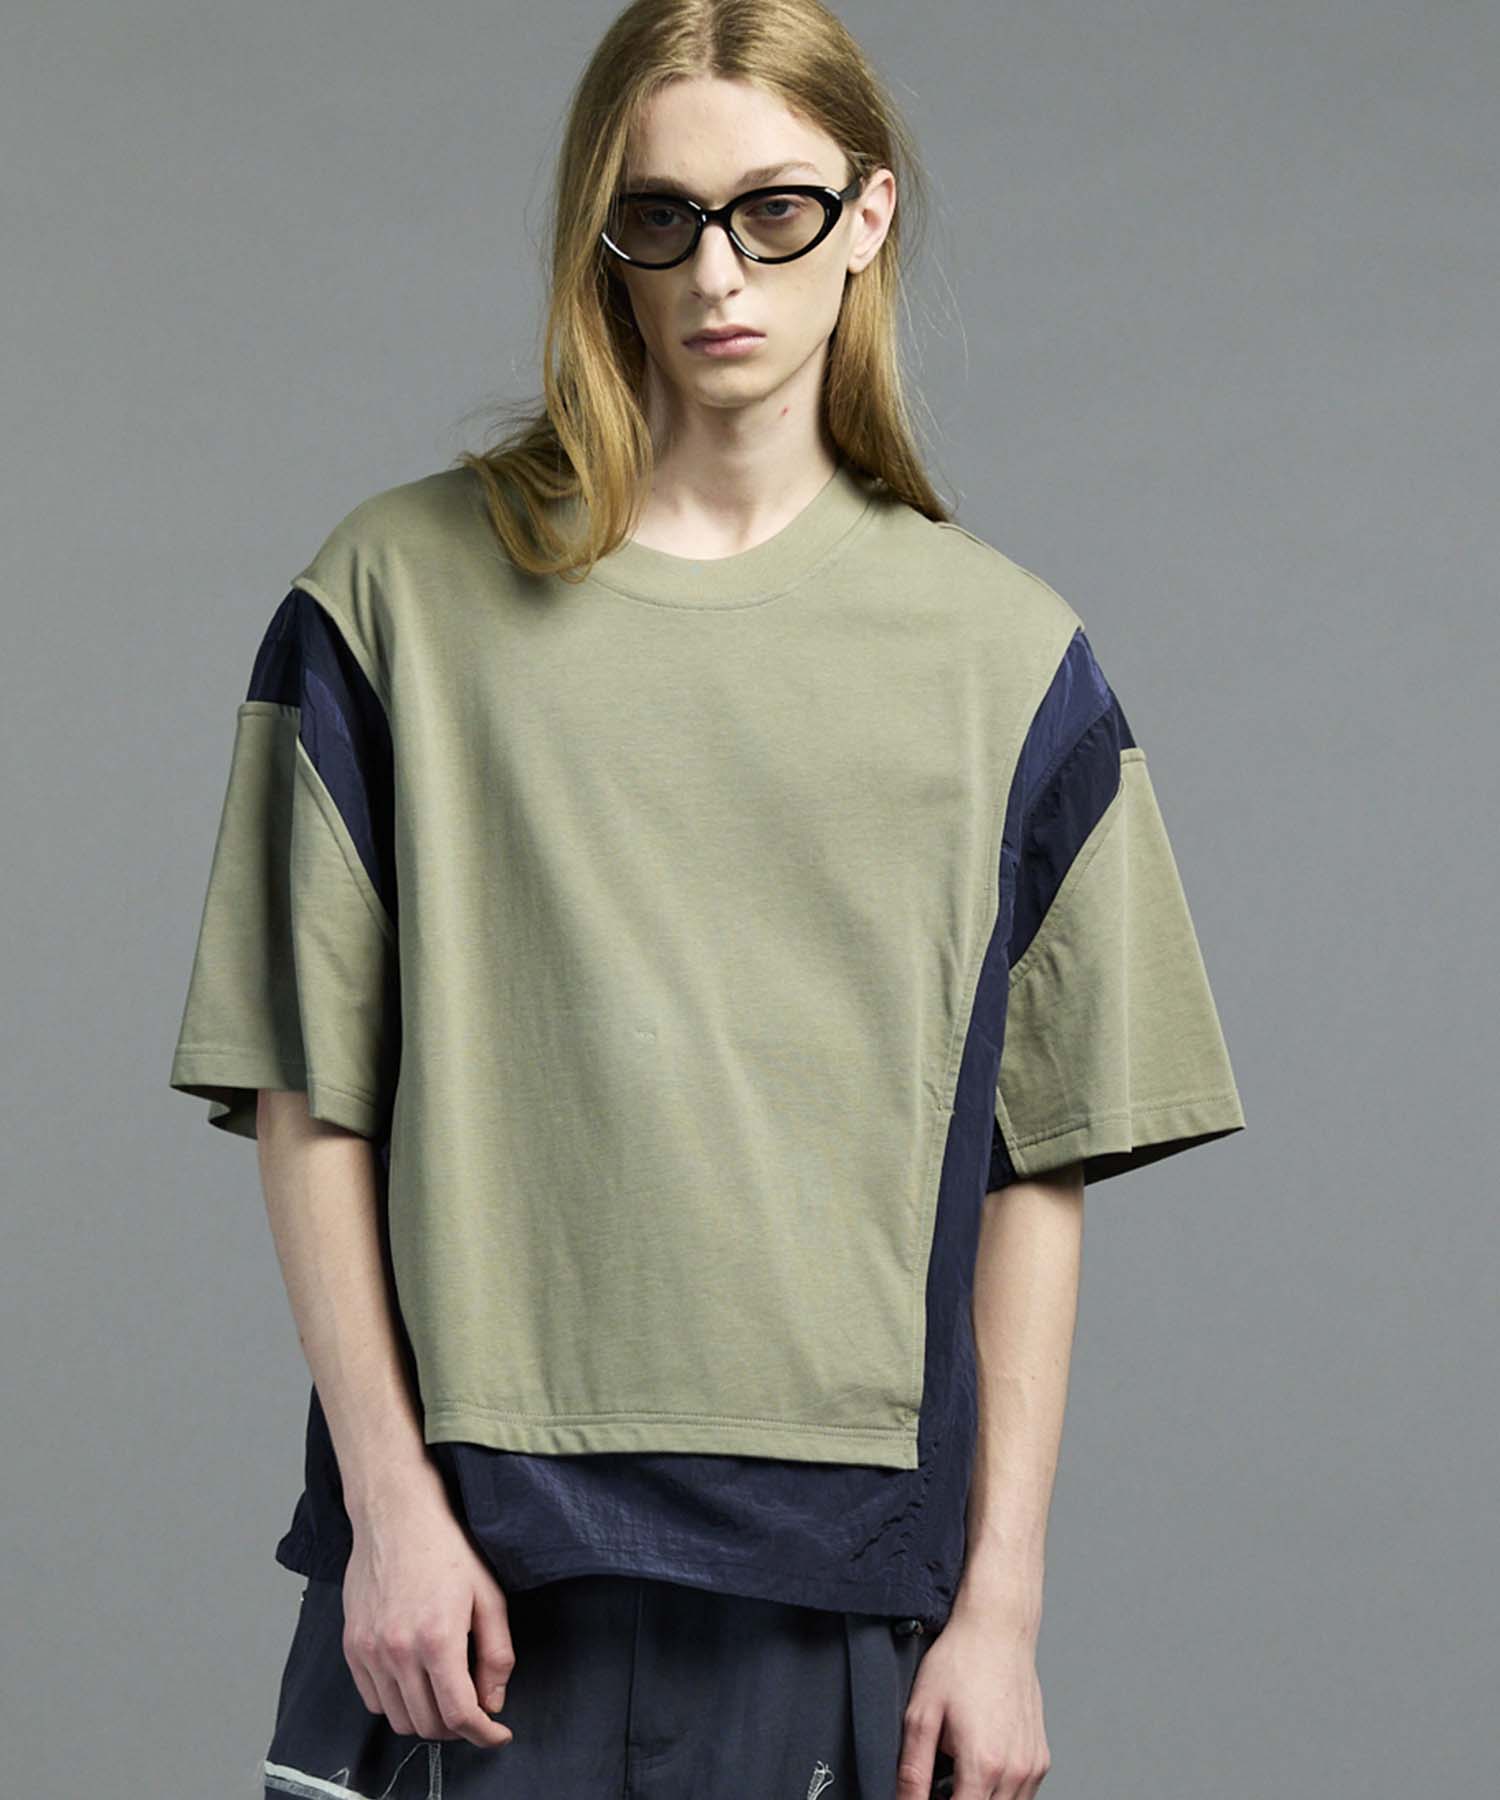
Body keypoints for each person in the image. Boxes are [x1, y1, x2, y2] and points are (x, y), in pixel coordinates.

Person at [167, 4, 1246, 1797]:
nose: (716, 273)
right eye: (658, 216)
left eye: (775, 210)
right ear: (601, 235)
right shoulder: (393, 598)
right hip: (465, 1577)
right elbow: (310, 1093)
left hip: (840, 1592)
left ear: (870, 215)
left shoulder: (1004, 661)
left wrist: (1002, 1613)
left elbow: (1032, 1172)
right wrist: (388, 1506)